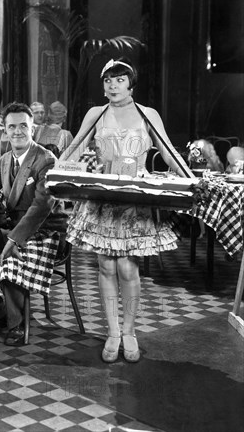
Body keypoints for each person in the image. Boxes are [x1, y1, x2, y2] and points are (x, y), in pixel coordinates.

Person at [60, 57, 194, 363]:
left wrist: (192, 181)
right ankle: (113, 333)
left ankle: (130, 332)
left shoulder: (147, 114)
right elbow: (74, 150)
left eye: (120, 80)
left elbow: (170, 153)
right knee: (106, 267)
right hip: (102, 202)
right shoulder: (96, 114)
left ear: (130, 84)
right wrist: (53, 171)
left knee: (127, 268)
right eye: (108, 80)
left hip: (134, 203)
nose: (113, 85)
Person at [0, 102, 65, 346]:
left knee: (10, 263)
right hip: (11, 228)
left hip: (44, 231)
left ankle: (18, 325)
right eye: (12, 126)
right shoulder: (4, 159)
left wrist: (13, 240)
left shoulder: (46, 160)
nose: (17, 131)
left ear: (34, 128)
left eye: (23, 126)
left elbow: (41, 207)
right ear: (4, 129)